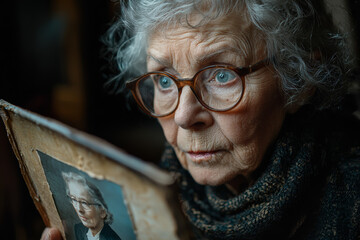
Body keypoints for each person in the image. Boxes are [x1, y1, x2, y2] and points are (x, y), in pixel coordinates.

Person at [42, 0, 360, 239]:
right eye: (164, 80)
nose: (183, 116)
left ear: (299, 83)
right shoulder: (150, 209)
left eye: (221, 75)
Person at [62, 172, 121, 240]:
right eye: (74, 200)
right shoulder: (79, 229)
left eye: (84, 203)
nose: (79, 209)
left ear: (102, 211)